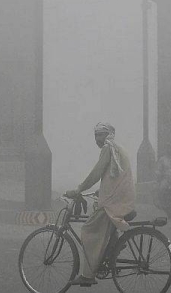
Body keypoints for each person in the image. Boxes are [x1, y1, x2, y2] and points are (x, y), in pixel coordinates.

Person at [65, 122, 135, 286]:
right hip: (122, 197)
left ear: (108, 135)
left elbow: (97, 173)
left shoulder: (108, 148)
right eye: (95, 135)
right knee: (102, 226)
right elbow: (114, 175)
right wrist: (100, 191)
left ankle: (88, 276)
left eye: (100, 134)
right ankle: (112, 248)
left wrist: (79, 189)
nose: (97, 138)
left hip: (114, 201)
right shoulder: (117, 148)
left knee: (88, 229)